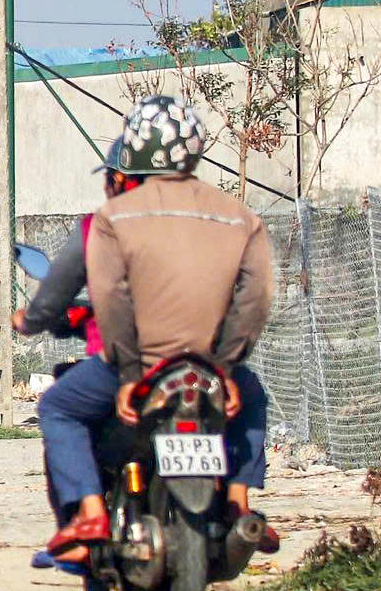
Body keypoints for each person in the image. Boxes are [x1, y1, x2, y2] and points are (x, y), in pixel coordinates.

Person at [25, 96, 278, 564]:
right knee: (254, 395)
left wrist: (125, 375)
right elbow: (254, 299)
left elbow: (112, 302)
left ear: (126, 167)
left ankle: (91, 512)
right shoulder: (235, 216)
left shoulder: (110, 221)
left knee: (58, 407)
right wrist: (224, 366)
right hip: (205, 369)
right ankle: (241, 500)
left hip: (137, 367)